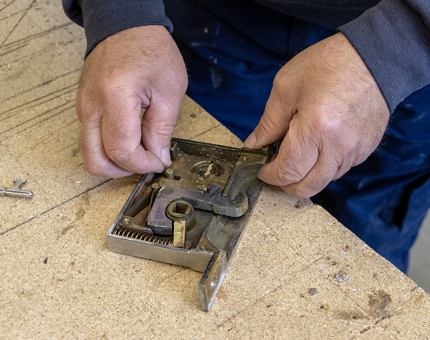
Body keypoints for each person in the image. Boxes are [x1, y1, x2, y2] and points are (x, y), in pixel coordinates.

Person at [62, 0, 430, 273]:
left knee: (363, 263)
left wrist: (397, 44)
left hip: (409, 59)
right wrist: (120, 15)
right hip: (217, 24)